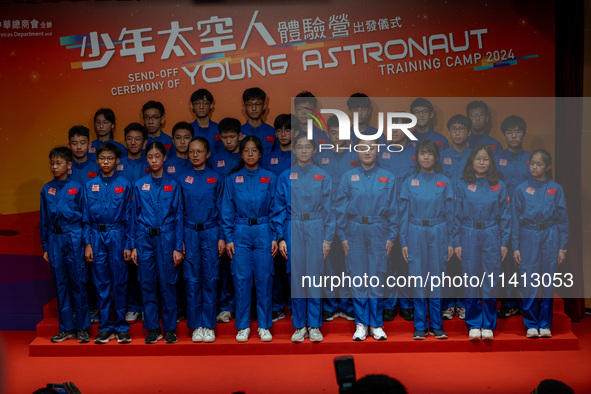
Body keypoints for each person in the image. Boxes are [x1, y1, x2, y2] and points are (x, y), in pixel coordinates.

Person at [335, 139, 398, 341]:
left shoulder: (388, 177)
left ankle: (376, 324)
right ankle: (361, 324)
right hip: (355, 230)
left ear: (377, 151)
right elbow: (340, 209)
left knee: (377, 277)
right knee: (358, 277)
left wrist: (392, 236)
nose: (367, 151)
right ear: (357, 152)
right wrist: (342, 236)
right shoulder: (348, 177)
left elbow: (394, 209)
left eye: (371, 147)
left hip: (380, 229)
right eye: (363, 148)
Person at [221, 136, 281, 342]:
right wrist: (228, 238)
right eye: (246, 150)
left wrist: (275, 236)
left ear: (260, 153)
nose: (250, 154)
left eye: (254, 150)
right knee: (242, 279)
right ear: (241, 154)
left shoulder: (270, 178)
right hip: (240, 231)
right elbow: (227, 210)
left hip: (264, 230)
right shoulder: (233, 179)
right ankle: (243, 325)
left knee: (264, 279)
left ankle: (264, 325)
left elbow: (276, 208)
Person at [275, 133, 334, 342]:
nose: (303, 150)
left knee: (315, 277)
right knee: (297, 276)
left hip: (316, 226)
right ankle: (299, 324)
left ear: (314, 150)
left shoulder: (323, 176)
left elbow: (330, 210)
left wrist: (328, 239)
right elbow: (279, 208)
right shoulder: (286, 175)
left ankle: (315, 325)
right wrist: (280, 237)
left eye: (307, 147)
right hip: (293, 226)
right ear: (294, 150)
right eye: (299, 146)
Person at [453, 145, 510, 341]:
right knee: (471, 280)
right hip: (469, 233)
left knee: (490, 280)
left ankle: (488, 324)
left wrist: (504, 243)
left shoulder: (499, 186)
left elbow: (506, 217)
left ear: (491, 162)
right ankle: (474, 324)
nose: (481, 162)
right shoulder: (462, 185)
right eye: (478, 158)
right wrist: (457, 242)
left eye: (485, 159)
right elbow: (455, 216)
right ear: (472, 162)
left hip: (492, 233)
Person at [400, 140, 454, 340]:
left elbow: (451, 214)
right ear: (417, 157)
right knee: (418, 279)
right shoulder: (409, 182)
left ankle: (437, 325)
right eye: (422, 153)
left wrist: (451, 241)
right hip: (415, 231)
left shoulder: (445, 182)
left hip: (438, 231)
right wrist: (403, 241)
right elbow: (403, 214)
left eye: (430, 153)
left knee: (437, 279)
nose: (426, 157)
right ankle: (421, 325)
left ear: (436, 157)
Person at [130, 142, 184, 344]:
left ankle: (170, 328)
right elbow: (133, 216)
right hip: (144, 238)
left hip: (167, 238)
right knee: (147, 283)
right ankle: (152, 328)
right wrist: (134, 245)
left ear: (164, 158)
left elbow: (179, 216)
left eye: (157, 156)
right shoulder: (139, 185)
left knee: (168, 283)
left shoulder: (173, 184)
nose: (153, 160)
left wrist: (178, 247)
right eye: (150, 157)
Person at [512, 149, 568, 338]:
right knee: (529, 281)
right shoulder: (520, 189)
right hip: (528, 235)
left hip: (551, 235)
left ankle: (545, 323)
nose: (534, 167)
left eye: (539, 164)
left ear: (547, 166)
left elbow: (563, 219)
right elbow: (515, 220)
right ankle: (530, 323)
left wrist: (562, 247)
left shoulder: (555, 188)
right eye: (532, 163)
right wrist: (516, 246)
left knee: (548, 282)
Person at [82, 143, 133, 344]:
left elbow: (130, 216)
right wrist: (87, 244)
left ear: (117, 161)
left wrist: (129, 244)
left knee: (119, 282)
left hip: (118, 235)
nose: (106, 162)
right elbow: (85, 217)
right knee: (101, 282)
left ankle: (121, 327)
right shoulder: (89, 186)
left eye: (110, 158)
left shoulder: (125, 184)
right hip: (96, 236)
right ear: (97, 160)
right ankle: (105, 327)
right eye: (102, 158)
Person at [40, 147, 90, 343]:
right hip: (55, 239)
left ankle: (83, 328)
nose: (54, 166)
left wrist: (87, 243)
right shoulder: (46, 189)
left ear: (69, 165)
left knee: (78, 282)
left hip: (74, 236)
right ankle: (67, 328)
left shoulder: (78, 187)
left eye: (58, 163)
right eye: (52, 163)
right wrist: (45, 247)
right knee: (60, 283)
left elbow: (86, 218)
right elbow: (44, 219)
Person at [179, 137, 224, 343]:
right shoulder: (182, 178)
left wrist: (222, 237)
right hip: (189, 232)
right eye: (191, 151)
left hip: (211, 232)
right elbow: (178, 212)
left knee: (210, 278)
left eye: (199, 151)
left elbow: (224, 210)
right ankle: (196, 324)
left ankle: (209, 324)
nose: (195, 155)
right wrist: (180, 241)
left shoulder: (216, 178)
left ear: (207, 154)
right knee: (192, 279)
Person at [315, 115, 357, 322]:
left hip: (350, 218)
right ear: (328, 134)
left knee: (349, 262)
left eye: (340, 132)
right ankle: (331, 305)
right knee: (329, 263)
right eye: (332, 132)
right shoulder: (320, 156)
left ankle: (348, 305)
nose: (336, 136)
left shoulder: (357, 154)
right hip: (327, 217)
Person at [378, 115, 416, 322]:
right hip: (386, 214)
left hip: (410, 213)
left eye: (399, 127)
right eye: (391, 127)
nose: (394, 131)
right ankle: (389, 303)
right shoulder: (382, 151)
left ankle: (408, 303)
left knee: (407, 259)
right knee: (388, 259)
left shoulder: (416, 152)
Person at [496, 115, 531, 319]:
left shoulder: (532, 159)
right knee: (507, 261)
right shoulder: (497, 159)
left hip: (527, 219)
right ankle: (509, 302)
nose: (513, 135)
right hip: (503, 218)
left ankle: (527, 302)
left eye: (517, 131)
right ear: (504, 135)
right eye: (509, 132)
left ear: (524, 134)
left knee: (526, 261)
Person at [439, 114, 472, 320]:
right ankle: (449, 302)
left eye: (461, 128)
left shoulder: (475, 155)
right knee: (447, 261)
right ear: (449, 132)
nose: (457, 132)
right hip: (444, 213)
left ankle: (463, 302)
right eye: (453, 128)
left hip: (468, 213)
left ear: (468, 132)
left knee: (465, 261)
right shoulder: (442, 155)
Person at [67, 125, 100, 324]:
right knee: (74, 271)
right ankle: (77, 309)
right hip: (71, 230)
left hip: (93, 229)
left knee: (93, 270)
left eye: (82, 143)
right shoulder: (64, 168)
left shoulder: (97, 168)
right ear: (69, 144)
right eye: (74, 143)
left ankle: (95, 308)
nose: (79, 147)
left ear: (89, 145)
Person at [210, 117, 242, 324]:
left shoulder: (248, 154)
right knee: (223, 266)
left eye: (232, 137)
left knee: (241, 267)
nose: (229, 141)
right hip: (219, 218)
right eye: (225, 137)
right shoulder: (214, 159)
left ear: (240, 136)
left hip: (242, 219)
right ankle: (226, 305)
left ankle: (242, 306)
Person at [116, 122, 148, 323]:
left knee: (146, 268)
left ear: (144, 142)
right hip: (122, 224)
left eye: (137, 139)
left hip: (146, 222)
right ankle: (133, 306)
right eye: (129, 138)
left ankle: (149, 307)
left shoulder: (152, 161)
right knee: (127, 267)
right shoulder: (118, 164)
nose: (133, 142)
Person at [240, 87, 276, 155]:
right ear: (244, 107)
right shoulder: (239, 133)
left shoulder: (272, 132)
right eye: (250, 105)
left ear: (264, 106)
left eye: (257, 104)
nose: (254, 108)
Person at [189, 89, 222, 154]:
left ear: (211, 106)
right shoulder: (188, 130)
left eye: (205, 103)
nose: (201, 107)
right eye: (197, 103)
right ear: (192, 106)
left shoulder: (220, 128)